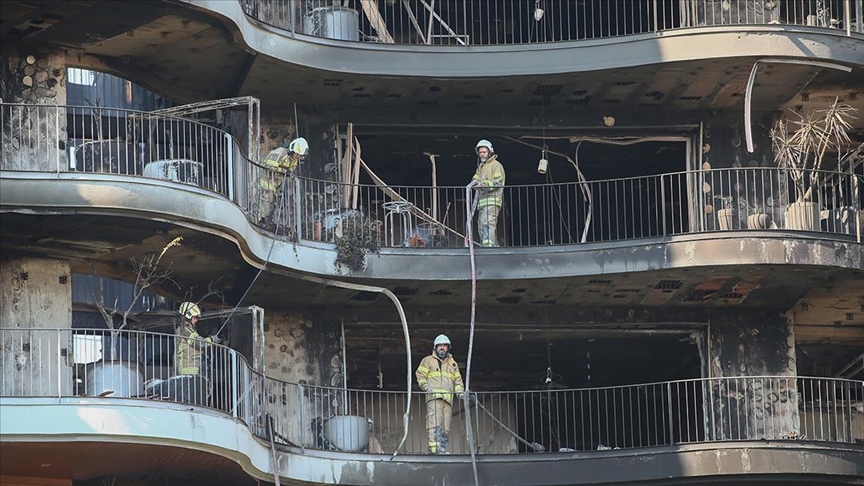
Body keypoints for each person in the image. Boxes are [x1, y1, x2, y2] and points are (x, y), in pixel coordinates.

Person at [415, 334, 465, 454]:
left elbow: (458, 381)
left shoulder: (453, 364)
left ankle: (442, 450)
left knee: (445, 427)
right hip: (434, 398)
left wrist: (460, 392)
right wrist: (426, 387)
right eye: (440, 346)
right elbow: (420, 376)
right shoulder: (427, 361)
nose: (442, 348)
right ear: (435, 347)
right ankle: (434, 451)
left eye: (444, 346)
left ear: (448, 348)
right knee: (434, 425)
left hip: (448, 400)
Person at [258, 137, 309, 231]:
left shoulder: (294, 160)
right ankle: (260, 222)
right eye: (297, 155)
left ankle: (267, 223)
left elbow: (291, 171)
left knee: (272, 206)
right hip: (265, 182)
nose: (297, 158)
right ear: (292, 151)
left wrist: (289, 174)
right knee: (264, 204)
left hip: (276, 185)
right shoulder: (279, 153)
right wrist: (284, 170)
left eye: (299, 156)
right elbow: (269, 167)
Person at [175, 301, 214, 405]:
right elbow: (200, 343)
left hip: (191, 373)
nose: (196, 320)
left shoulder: (185, 330)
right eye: (195, 317)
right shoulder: (185, 330)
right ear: (188, 316)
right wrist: (212, 339)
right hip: (188, 373)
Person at [471, 139, 506, 247]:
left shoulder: (496, 165)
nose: (482, 154)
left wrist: (483, 185)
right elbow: (474, 180)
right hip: (482, 203)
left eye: (484, 152)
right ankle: (493, 249)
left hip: (492, 201)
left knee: (488, 225)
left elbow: (498, 183)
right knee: (481, 227)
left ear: (490, 152)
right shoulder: (480, 167)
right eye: (480, 152)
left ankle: (488, 249)